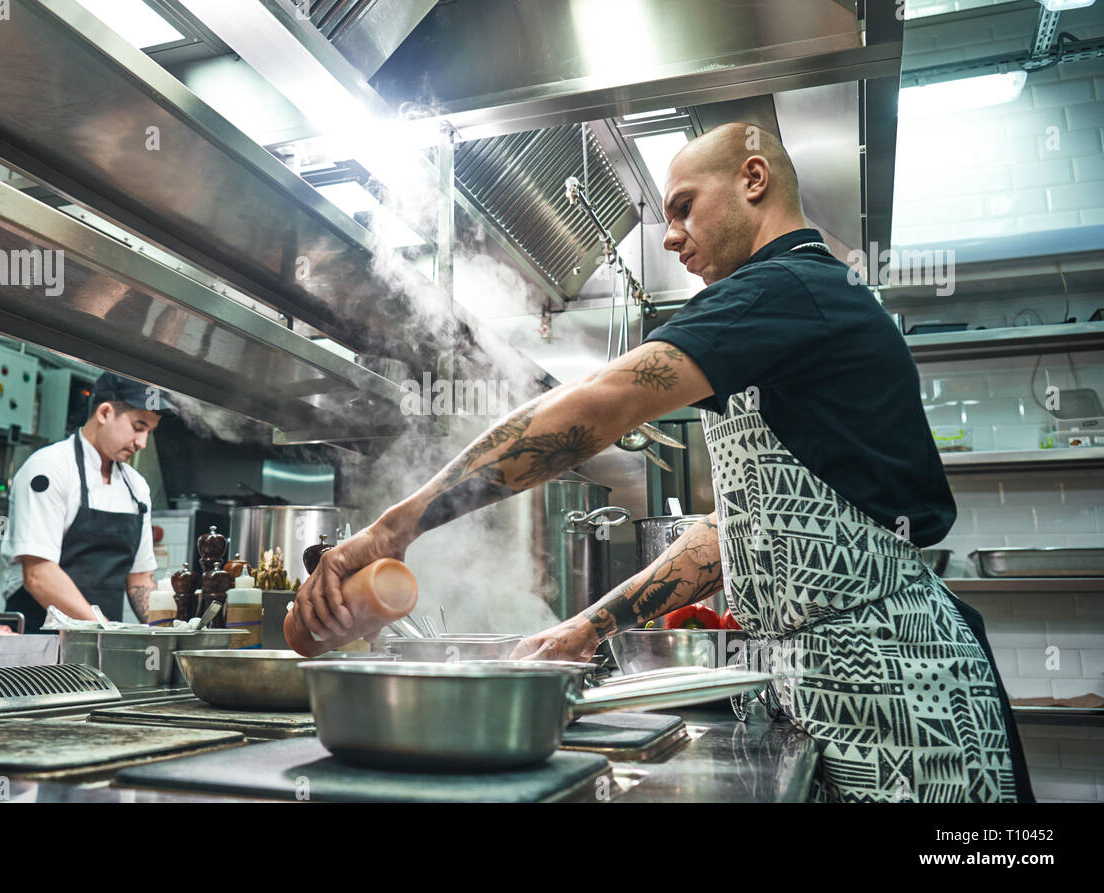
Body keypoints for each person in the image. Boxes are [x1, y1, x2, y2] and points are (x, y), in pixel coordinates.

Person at [291, 122, 1033, 804]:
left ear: (753, 178)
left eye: (683, 207)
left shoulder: (790, 286)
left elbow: (601, 403)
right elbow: (735, 535)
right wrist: (586, 629)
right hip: (827, 683)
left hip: (898, 692)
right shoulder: (786, 318)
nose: (672, 237)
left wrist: (394, 529)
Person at [0, 372, 163, 632]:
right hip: (37, 643)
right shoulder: (49, 468)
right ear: (105, 413)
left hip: (97, 646)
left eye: (149, 432)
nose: (142, 443)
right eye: (138, 427)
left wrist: (168, 633)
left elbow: (140, 578)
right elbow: (39, 574)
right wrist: (106, 633)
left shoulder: (137, 487)